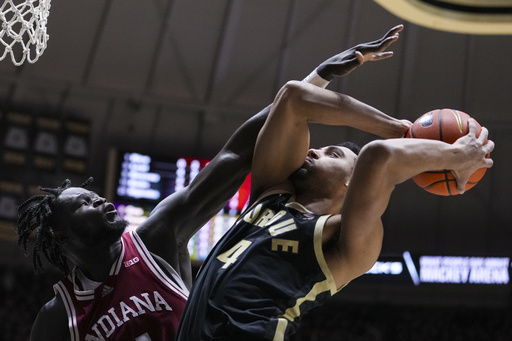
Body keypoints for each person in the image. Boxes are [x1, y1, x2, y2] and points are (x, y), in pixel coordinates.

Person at [15, 25, 406, 341]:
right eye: (84, 203)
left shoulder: (157, 236)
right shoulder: (57, 319)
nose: (101, 200)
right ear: (63, 238)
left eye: (94, 193)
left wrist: (315, 80)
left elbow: (235, 157)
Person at [175, 29, 495, 341]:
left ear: (351, 181)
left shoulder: (346, 242)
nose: (313, 150)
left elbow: (378, 156)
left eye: (333, 154)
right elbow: (293, 97)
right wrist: (395, 126)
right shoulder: (271, 193)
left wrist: (455, 155)